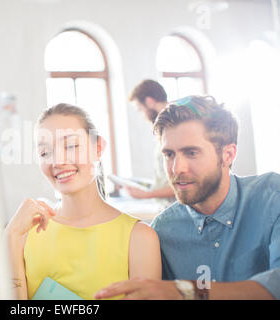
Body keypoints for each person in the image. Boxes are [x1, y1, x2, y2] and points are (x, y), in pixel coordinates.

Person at [95, 95, 279, 300]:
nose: (177, 169)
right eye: (169, 154)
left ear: (228, 154)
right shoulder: (162, 231)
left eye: (191, 153)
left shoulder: (272, 197)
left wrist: (186, 291)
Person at [5, 103, 161, 300]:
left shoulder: (139, 238)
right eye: (45, 153)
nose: (57, 161)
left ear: (98, 148)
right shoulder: (24, 234)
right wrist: (10, 236)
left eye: (70, 146)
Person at [126, 79, 175, 207]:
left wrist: (146, 195)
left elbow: (184, 182)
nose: (143, 116)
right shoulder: (163, 128)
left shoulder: (174, 128)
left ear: (149, 102)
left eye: (140, 109)